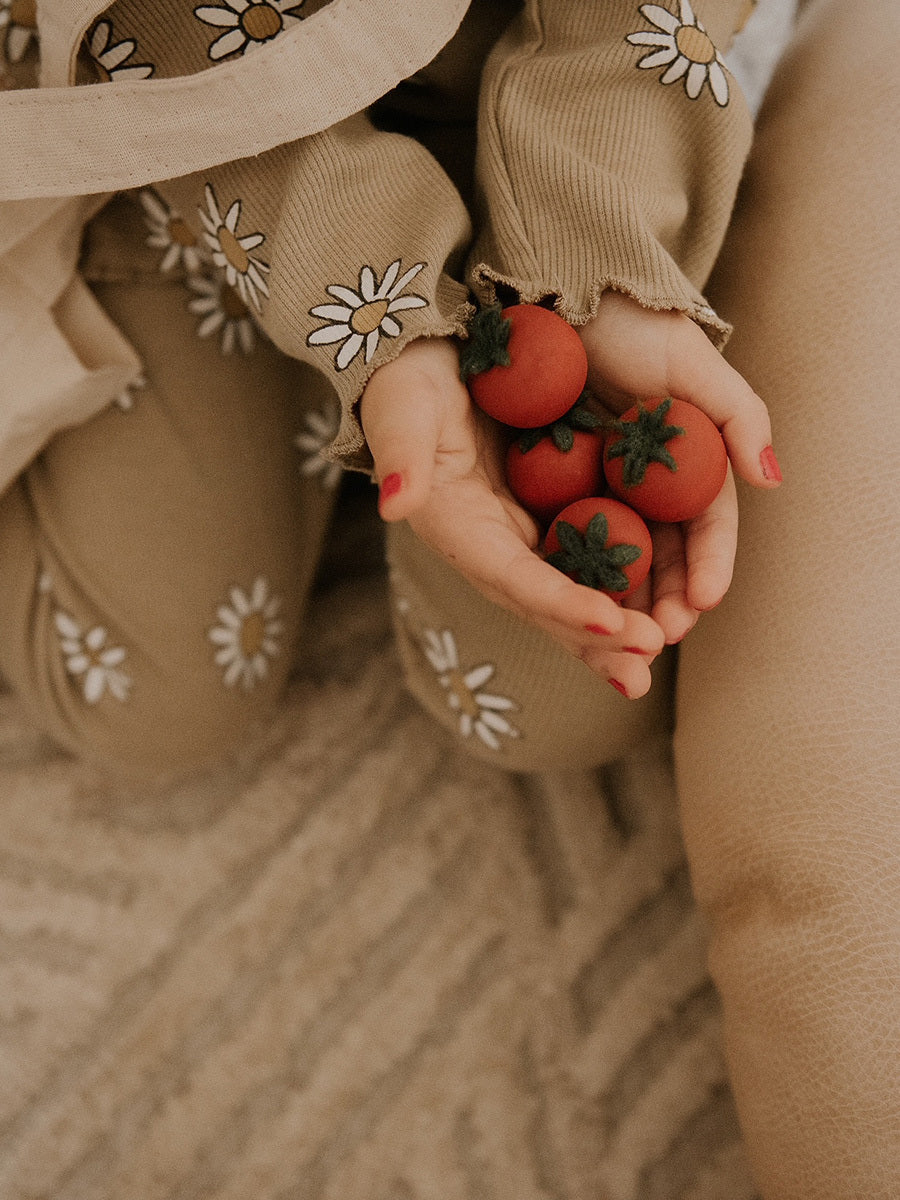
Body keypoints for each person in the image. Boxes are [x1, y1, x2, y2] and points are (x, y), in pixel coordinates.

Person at [0, 0, 896, 1196]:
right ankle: (287, 301)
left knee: (549, 703)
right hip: (166, 124)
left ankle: (446, 277)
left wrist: (592, 248)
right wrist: (370, 312)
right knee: (138, 696)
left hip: (544, 87)